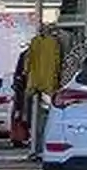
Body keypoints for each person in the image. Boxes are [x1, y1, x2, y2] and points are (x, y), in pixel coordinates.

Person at [23, 24, 64, 152]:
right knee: (47, 113)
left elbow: (28, 61)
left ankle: (37, 143)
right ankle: (38, 144)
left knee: (37, 112)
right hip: (48, 82)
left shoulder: (36, 42)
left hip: (36, 81)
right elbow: (57, 62)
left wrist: (26, 72)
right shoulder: (54, 43)